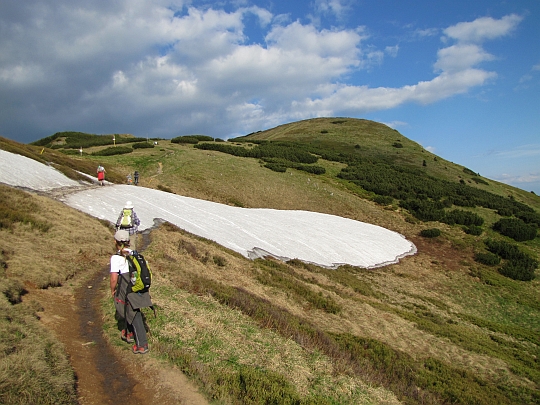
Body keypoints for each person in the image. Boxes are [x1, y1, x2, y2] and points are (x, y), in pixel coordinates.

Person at [110, 230, 152, 354]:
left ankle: (142, 345)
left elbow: (113, 278)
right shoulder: (135, 254)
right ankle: (129, 334)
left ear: (115, 242)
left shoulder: (116, 258)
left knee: (133, 313)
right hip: (135, 286)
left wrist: (112, 290)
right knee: (129, 309)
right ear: (128, 242)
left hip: (127, 287)